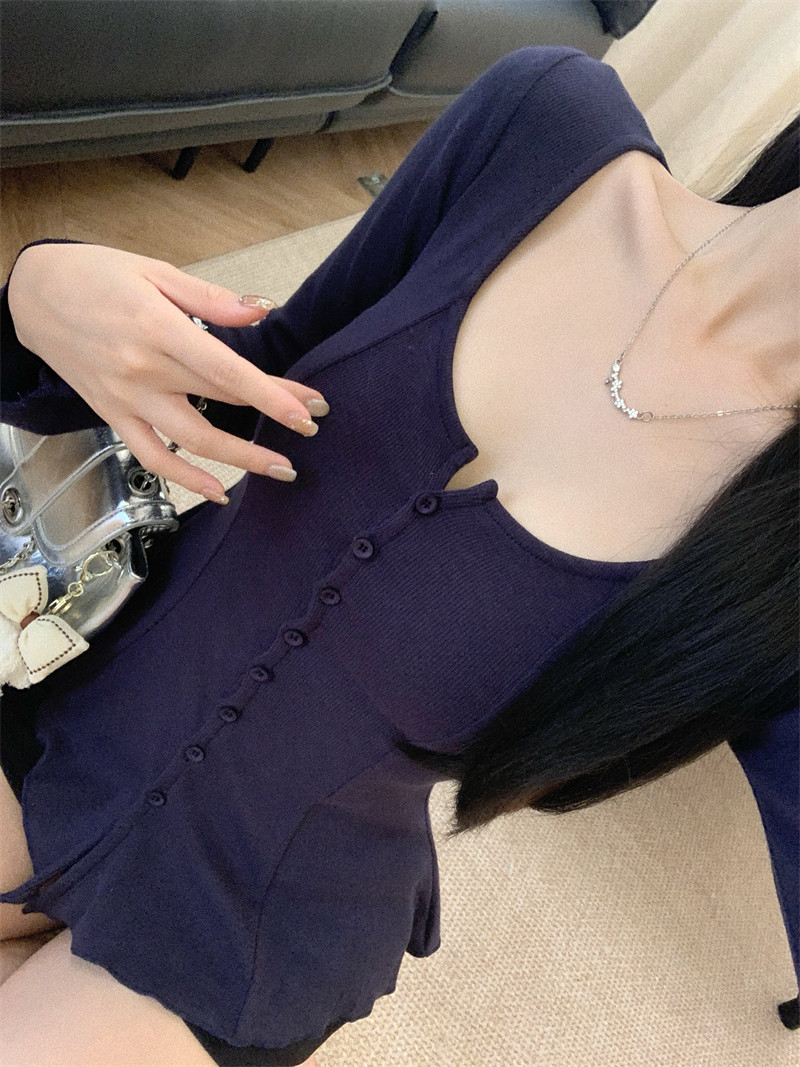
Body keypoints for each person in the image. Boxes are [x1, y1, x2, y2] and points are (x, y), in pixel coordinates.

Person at [0, 44, 797, 1066]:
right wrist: (38, 289)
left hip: (260, 923)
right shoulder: (543, 126)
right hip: (70, 707)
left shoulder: (780, 560)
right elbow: (251, 378)